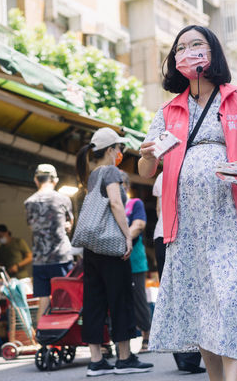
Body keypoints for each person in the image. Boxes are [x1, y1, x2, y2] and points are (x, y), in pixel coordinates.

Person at [138, 25, 237, 381]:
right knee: (202, 304)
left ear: (212, 51)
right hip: (187, 223)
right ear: (174, 60)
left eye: (197, 44)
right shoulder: (168, 109)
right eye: (181, 47)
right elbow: (145, 168)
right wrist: (148, 155)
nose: (188, 51)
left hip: (235, 216)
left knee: (233, 300)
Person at [76, 127, 153, 376]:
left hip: (92, 248)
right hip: (111, 247)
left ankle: (96, 360)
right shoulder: (111, 172)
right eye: (119, 148)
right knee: (120, 299)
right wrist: (126, 237)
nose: (121, 152)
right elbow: (116, 203)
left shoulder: (92, 175)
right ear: (110, 150)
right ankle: (124, 357)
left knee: (94, 301)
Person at [152, 172, 206, 374]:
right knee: (194, 294)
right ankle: (191, 355)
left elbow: (159, 209)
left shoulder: (162, 176)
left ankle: (182, 355)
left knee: (173, 294)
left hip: (162, 235)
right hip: (184, 236)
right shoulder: (194, 169)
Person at [24, 163, 74, 322]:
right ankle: (65, 339)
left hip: (40, 260)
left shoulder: (29, 202)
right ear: (55, 180)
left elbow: (32, 225)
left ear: (36, 180)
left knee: (43, 301)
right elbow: (69, 225)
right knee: (65, 301)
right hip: (61, 258)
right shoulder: (63, 199)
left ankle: (43, 342)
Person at [120, 171, 152, 354]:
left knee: (138, 299)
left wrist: (121, 240)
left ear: (126, 187)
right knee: (121, 301)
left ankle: (146, 336)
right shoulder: (110, 205)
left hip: (135, 261)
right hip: (116, 261)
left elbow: (139, 225)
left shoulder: (134, 204)